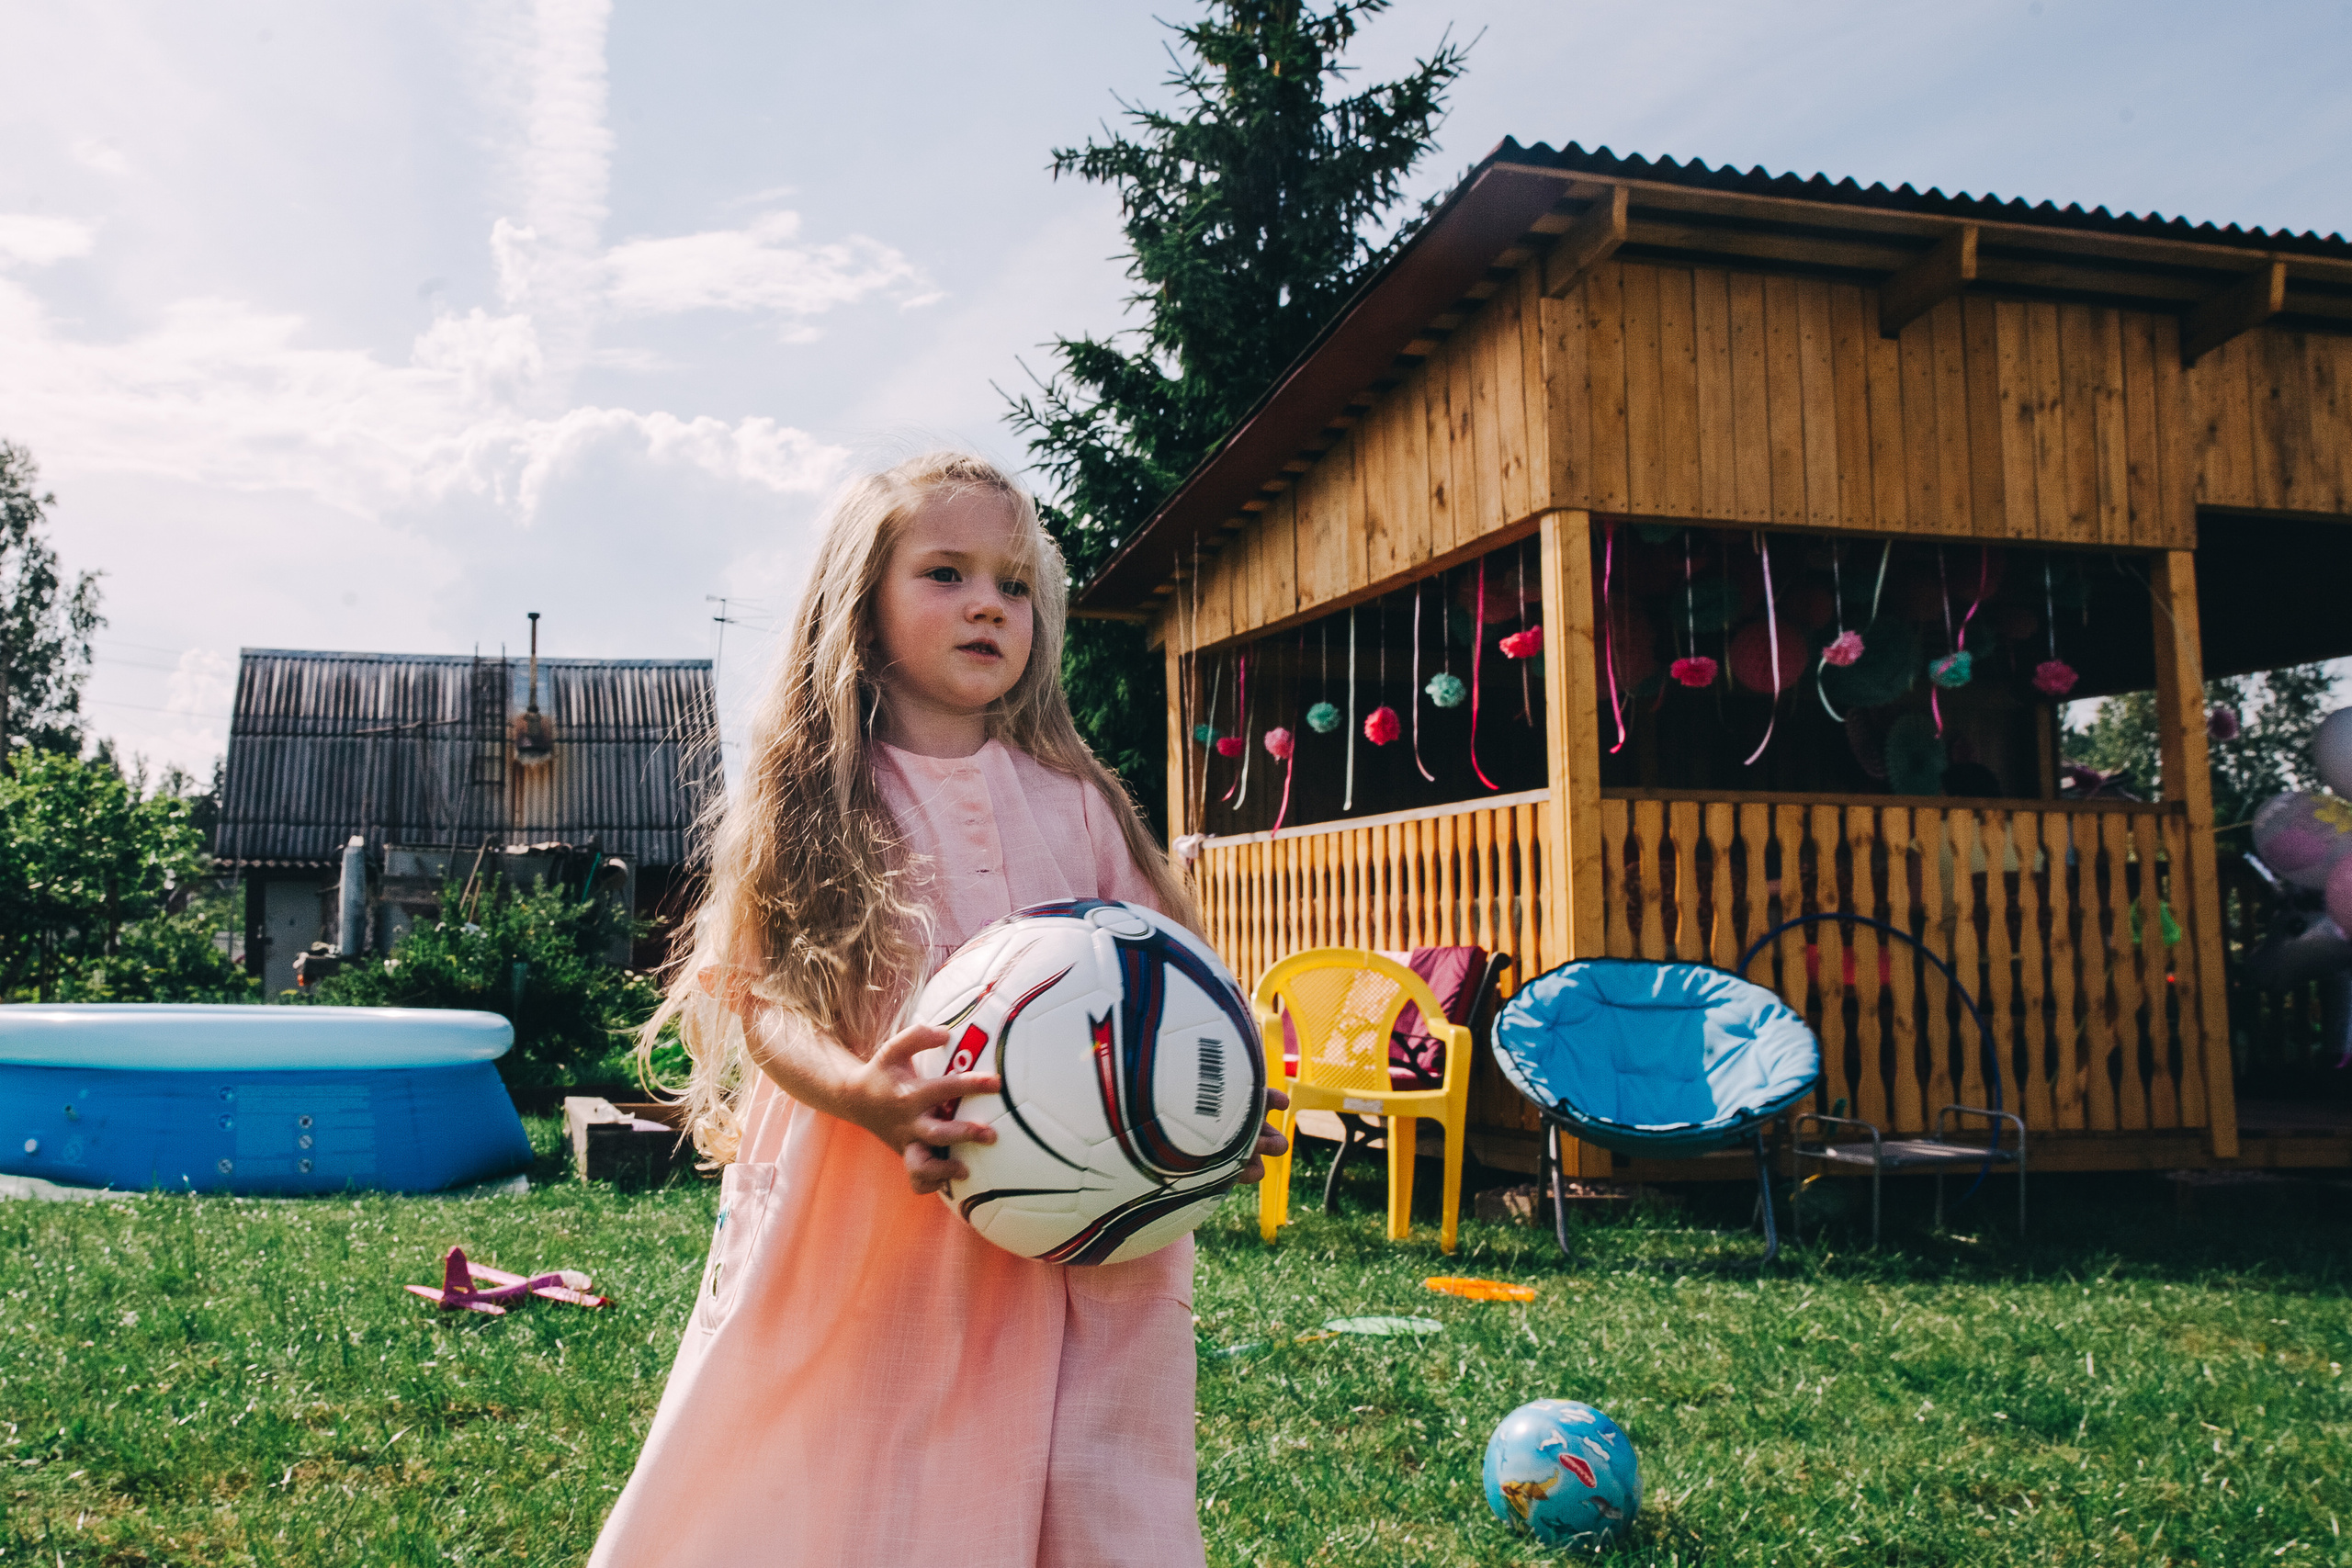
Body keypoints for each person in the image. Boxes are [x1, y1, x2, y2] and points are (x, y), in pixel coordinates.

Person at [588, 451, 1286, 1568]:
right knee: (856, 1472)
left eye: (1013, 585)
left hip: (1086, 1244)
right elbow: (769, 1008)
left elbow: (1180, 984)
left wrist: (1222, 1110)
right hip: (874, 1219)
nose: (987, 605)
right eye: (946, 573)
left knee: (1089, 1477)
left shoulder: (1079, 801)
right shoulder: (818, 797)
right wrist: (866, 1095)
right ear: (860, 606)